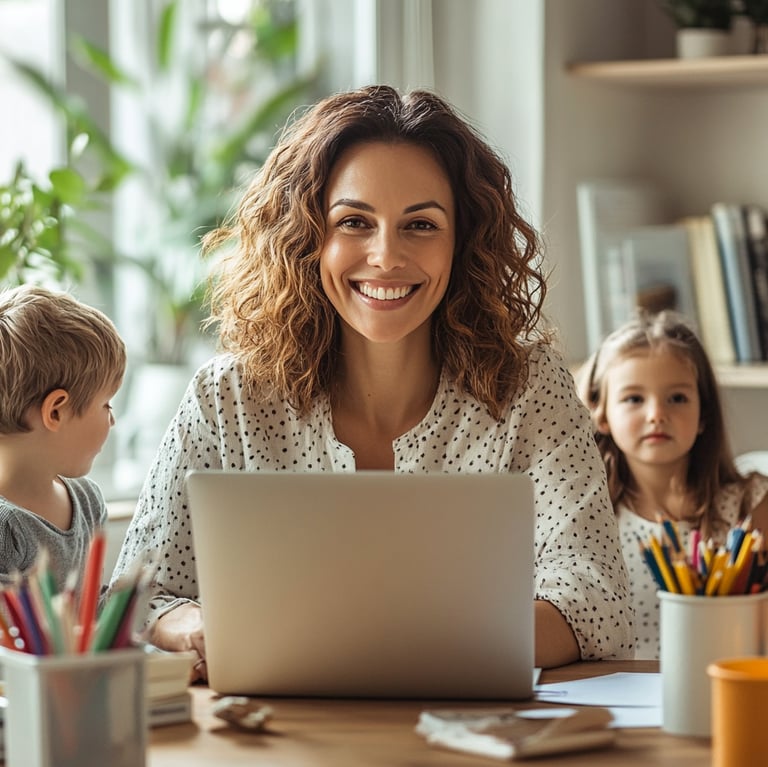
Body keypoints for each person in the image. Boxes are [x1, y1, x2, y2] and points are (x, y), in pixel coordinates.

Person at [109, 84, 633, 679]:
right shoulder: (226, 396)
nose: (385, 256)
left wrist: (388, 646)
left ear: (464, 241)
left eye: (421, 225)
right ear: (308, 237)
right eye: (355, 222)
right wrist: (195, 628)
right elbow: (136, 597)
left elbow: (595, 600)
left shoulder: (529, 386)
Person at [578, 310, 768, 659]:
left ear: (703, 415)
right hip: (612, 696)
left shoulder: (749, 503)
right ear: (599, 412)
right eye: (634, 399)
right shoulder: (585, 512)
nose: (656, 414)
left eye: (677, 398)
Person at [0, 284, 126, 590]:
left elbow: (90, 607)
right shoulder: (6, 527)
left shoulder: (88, 501)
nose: (112, 418)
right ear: (56, 411)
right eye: (106, 404)